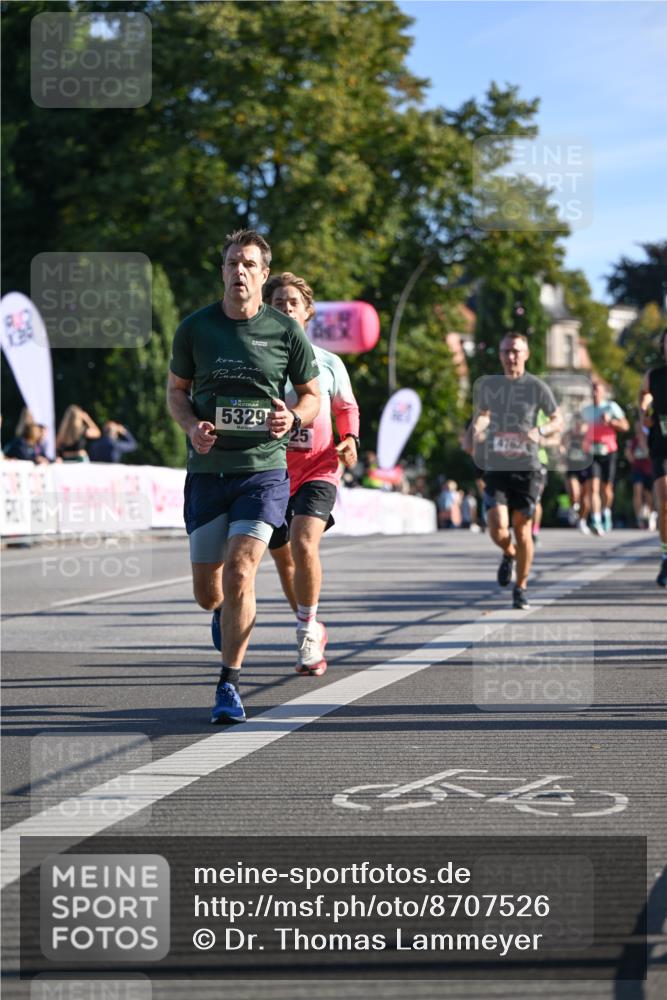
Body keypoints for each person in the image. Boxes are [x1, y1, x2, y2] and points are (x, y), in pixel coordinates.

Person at [167, 230, 321, 724]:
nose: (239, 271)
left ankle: (229, 684)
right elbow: (176, 391)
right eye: (232, 262)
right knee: (209, 592)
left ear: (263, 274)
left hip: (263, 471)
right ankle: (222, 611)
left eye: (249, 264)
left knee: (241, 571)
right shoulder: (195, 328)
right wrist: (191, 426)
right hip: (208, 472)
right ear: (223, 271)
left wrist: (292, 418)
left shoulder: (285, 331)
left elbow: (312, 396)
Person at [263, 272, 360, 676]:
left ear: (307, 312)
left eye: (293, 303)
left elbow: (345, 408)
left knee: (304, 544)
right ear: (267, 310)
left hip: (319, 466)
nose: (286, 308)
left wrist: (349, 439)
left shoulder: (329, 362)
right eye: (278, 303)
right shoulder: (257, 359)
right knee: (284, 558)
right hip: (269, 470)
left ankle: (305, 631)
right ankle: (311, 623)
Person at [469, 332, 563, 609]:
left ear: (526, 354)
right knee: (497, 527)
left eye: (516, 351)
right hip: (497, 464)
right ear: (500, 355)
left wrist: (540, 431)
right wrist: (478, 427)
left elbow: (558, 419)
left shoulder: (536, 387)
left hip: (528, 467)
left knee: (522, 530)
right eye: (506, 351)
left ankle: (520, 588)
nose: (511, 356)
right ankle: (509, 553)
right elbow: (483, 414)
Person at [579, 381, 629, 534]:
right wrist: (581, 429)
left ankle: (606, 511)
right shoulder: (586, 410)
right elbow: (579, 428)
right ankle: (596, 520)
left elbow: (626, 426)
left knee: (607, 489)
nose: (595, 393)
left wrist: (611, 422)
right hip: (591, 452)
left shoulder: (611, 407)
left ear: (603, 392)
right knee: (593, 487)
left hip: (608, 451)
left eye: (598, 390)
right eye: (593, 390)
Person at [639, 327, 667, 586]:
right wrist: (644, 413)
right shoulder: (654, 375)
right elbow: (643, 397)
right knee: (664, 503)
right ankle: (666, 556)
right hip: (662, 444)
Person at [624, 423, 655, 529]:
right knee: (637, 491)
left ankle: (651, 515)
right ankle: (639, 518)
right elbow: (631, 458)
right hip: (637, 470)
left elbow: (652, 457)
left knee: (649, 495)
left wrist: (644, 445)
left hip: (649, 471)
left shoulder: (650, 440)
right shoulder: (633, 441)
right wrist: (628, 453)